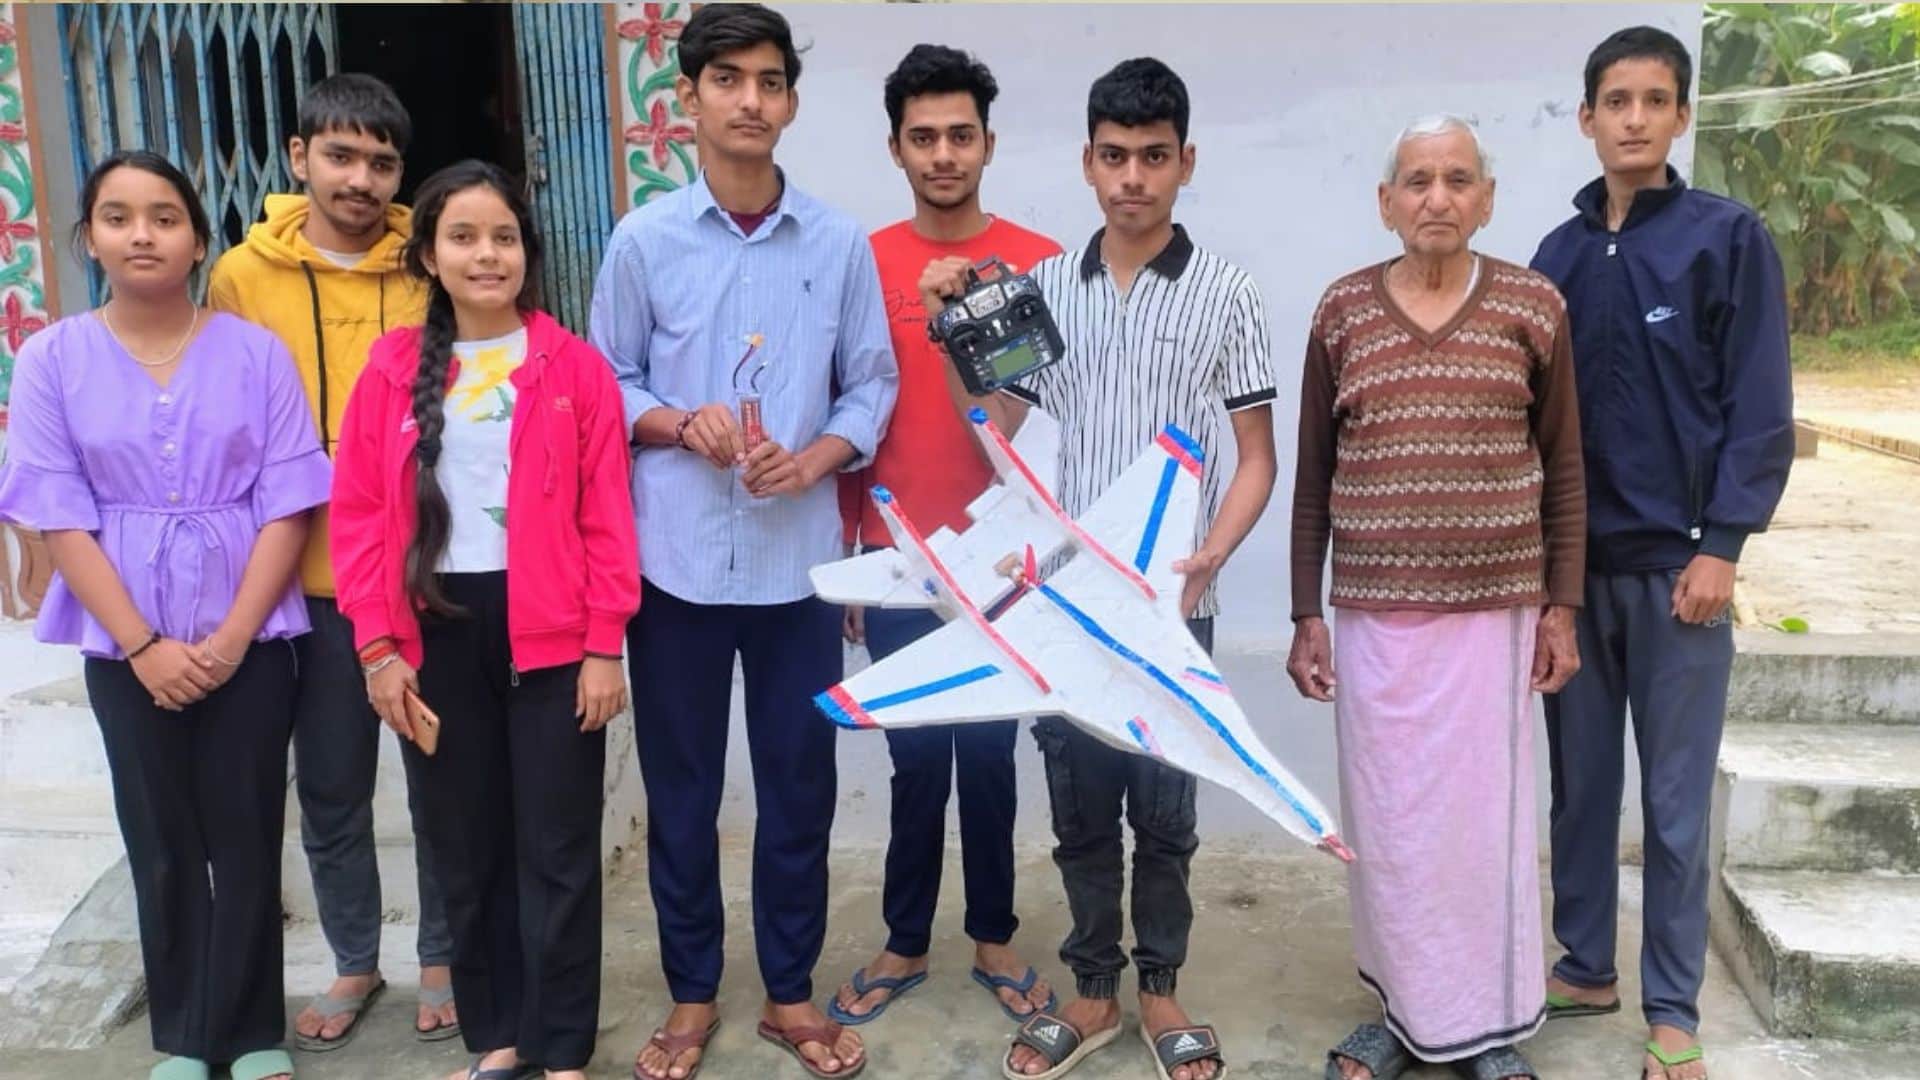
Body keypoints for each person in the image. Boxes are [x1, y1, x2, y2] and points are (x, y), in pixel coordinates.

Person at [930, 57, 1277, 1080]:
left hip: (1174, 601)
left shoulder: (1225, 294)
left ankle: (1161, 987)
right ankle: (1091, 994)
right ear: (1089, 163)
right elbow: (998, 423)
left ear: (1186, 162)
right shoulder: (1041, 291)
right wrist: (958, 331)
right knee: (1080, 806)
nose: (1134, 178)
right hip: (1071, 601)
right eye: (1115, 157)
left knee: (1165, 813)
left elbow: (1255, 456)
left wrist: (1212, 550)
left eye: (1155, 158)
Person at [588, 4, 898, 1077]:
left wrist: (812, 459)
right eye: (729, 80)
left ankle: (791, 992)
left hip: (794, 565)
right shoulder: (644, 241)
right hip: (673, 563)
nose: (751, 100)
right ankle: (689, 995)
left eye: (770, 81)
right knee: (681, 788)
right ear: (690, 99)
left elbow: (873, 384)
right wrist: (682, 422)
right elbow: (605, 384)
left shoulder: (839, 242)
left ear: (792, 103)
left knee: (797, 785)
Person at [0, 150, 332, 1080]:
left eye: (163, 216)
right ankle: (186, 1038)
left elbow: (288, 501)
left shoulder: (254, 352)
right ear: (90, 237)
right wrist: (142, 645)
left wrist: (229, 641)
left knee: (246, 830)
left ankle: (254, 1031)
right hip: (120, 640)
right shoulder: (50, 359)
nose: (141, 233)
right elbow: (58, 513)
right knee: (160, 839)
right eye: (117, 216)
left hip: (251, 636)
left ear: (196, 238)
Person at [329, 160, 640, 1080]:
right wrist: (379, 649)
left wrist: (602, 645)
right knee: (463, 846)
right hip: (435, 633)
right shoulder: (388, 372)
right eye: (462, 237)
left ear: (527, 253)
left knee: (558, 850)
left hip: (551, 632)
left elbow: (607, 516)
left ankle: (561, 1048)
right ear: (427, 254)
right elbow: (356, 521)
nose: (486, 253)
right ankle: (498, 1036)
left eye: (503, 236)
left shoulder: (573, 369)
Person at [1288, 115, 1585, 1080]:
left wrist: (1561, 607)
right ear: (1387, 203)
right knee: (1391, 829)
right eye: (1417, 181)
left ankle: (1488, 1026)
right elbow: (1314, 477)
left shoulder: (1533, 307)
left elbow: (1565, 467)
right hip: (1376, 621)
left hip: (1495, 618)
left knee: (1481, 838)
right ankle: (1398, 1011)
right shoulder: (1341, 312)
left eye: (1458, 179)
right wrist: (1306, 614)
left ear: (1488, 198)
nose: (1437, 198)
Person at [1530, 27, 1794, 1080]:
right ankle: (1586, 962)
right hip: (1574, 577)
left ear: (1681, 115)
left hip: (1682, 574)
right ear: (1586, 116)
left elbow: (1759, 406)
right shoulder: (1554, 257)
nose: (1634, 117)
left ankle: (1673, 1006)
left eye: (1654, 99)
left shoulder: (1725, 240)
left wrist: (1723, 546)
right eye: (1615, 100)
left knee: (1675, 807)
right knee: (1581, 789)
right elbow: (1530, 428)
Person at [207, 72, 454, 1050]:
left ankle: (443, 952)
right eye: (340, 155)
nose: (360, 178)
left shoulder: (429, 263)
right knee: (333, 786)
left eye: (381, 161)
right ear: (300, 157)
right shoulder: (241, 278)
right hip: (308, 584)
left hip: (427, 572)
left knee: (441, 775)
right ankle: (356, 958)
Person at [827, 42, 1063, 1030]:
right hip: (898, 557)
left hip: (1004, 555)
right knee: (915, 752)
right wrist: (849, 552)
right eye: (922, 137)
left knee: (991, 750)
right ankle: (905, 937)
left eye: (960, 135)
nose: (943, 154)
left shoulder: (1039, 260)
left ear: (988, 143)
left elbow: (1043, 418)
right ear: (895, 148)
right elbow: (845, 410)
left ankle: (996, 935)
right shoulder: (861, 260)